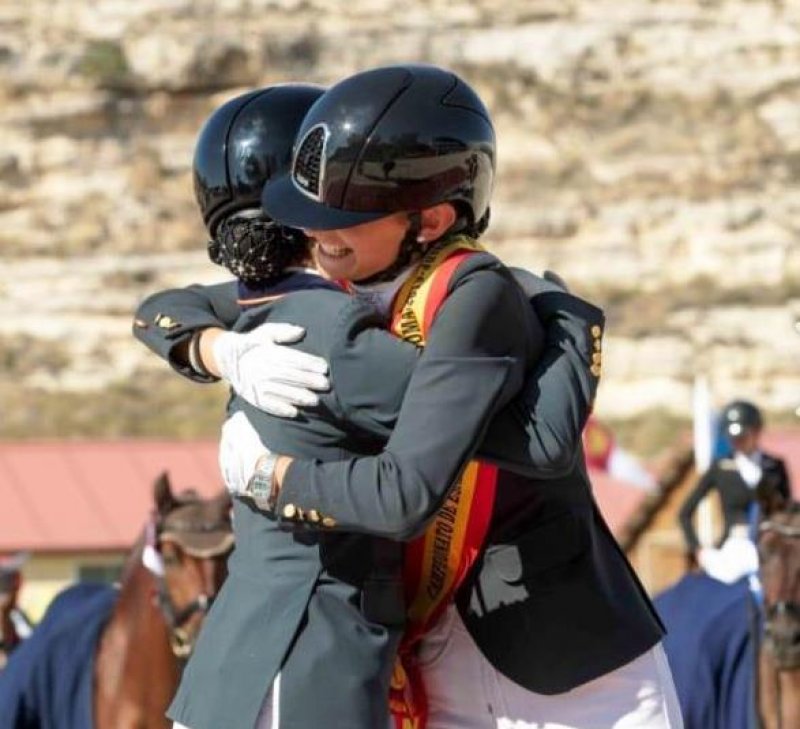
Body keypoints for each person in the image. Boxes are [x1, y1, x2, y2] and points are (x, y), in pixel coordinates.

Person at [221, 64, 682, 728]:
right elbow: (188, 305)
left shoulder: (479, 293)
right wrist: (213, 348)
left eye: (343, 219)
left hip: (565, 668)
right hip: (432, 660)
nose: (315, 237)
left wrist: (272, 477)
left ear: (431, 219)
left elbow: (423, 488)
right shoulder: (335, 290)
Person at [136, 80, 605, 729]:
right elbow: (539, 439)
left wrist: (215, 348)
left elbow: (158, 310)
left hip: (232, 669)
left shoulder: (261, 308)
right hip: (311, 665)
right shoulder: (343, 336)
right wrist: (568, 314)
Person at [679, 399, 791, 583]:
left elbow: (786, 511)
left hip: (769, 546)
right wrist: (699, 550)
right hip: (733, 550)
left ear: (756, 432)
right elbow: (685, 512)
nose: (738, 442)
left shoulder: (774, 466)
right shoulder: (720, 468)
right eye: (734, 438)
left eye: (743, 436)